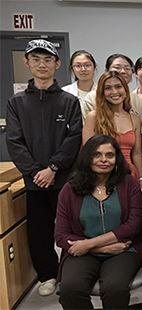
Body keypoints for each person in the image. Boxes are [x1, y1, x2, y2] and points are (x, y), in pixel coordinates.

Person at [6, 39, 83, 296]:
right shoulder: (16, 103)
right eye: (36, 59)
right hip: (34, 180)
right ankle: (48, 275)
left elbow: (74, 139)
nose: (42, 64)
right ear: (27, 62)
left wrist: (53, 167)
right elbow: (14, 142)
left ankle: (71, 271)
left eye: (48, 60)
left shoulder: (68, 101)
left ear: (57, 64)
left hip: (63, 178)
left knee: (71, 228)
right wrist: (35, 172)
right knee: (39, 231)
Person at [55, 134, 142, 309]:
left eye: (109, 155)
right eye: (97, 154)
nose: (103, 159)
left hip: (124, 249)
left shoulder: (129, 183)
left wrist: (90, 243)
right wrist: (99, 247)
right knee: (70, 289)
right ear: (87, 157)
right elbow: (61, 235)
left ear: (117, 158)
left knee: (114, 288)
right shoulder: (69, 190)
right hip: (84, 250)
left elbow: (133, 225)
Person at [83, 71, 142, 188]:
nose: (114, 92)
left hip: (129, 175)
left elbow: (137, 154)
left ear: (126, 90)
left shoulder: (134, 119)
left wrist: (141, 179)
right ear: (102, 93)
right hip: (102, 175)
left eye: (118, 87)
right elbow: (87, 152)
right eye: (108, 88)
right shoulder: (93, 117)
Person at [83, 54, 142, 122]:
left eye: (127, 68)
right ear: (106, 71)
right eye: (117, 67)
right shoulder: (92, 98)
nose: (123, 71)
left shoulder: (141, 102)